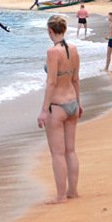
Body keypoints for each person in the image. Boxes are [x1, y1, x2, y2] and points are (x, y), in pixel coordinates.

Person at [38, 15, 81, 204]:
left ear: (50, 31)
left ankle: (61, 196)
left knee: (57, 153)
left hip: (57, 106)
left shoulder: (52, 52)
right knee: (70, 151)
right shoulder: (73, 49)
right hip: (72, 102)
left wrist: (44, 110)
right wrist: (79, 103)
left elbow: (52, 82)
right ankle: (73, 191)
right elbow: (76, 79)